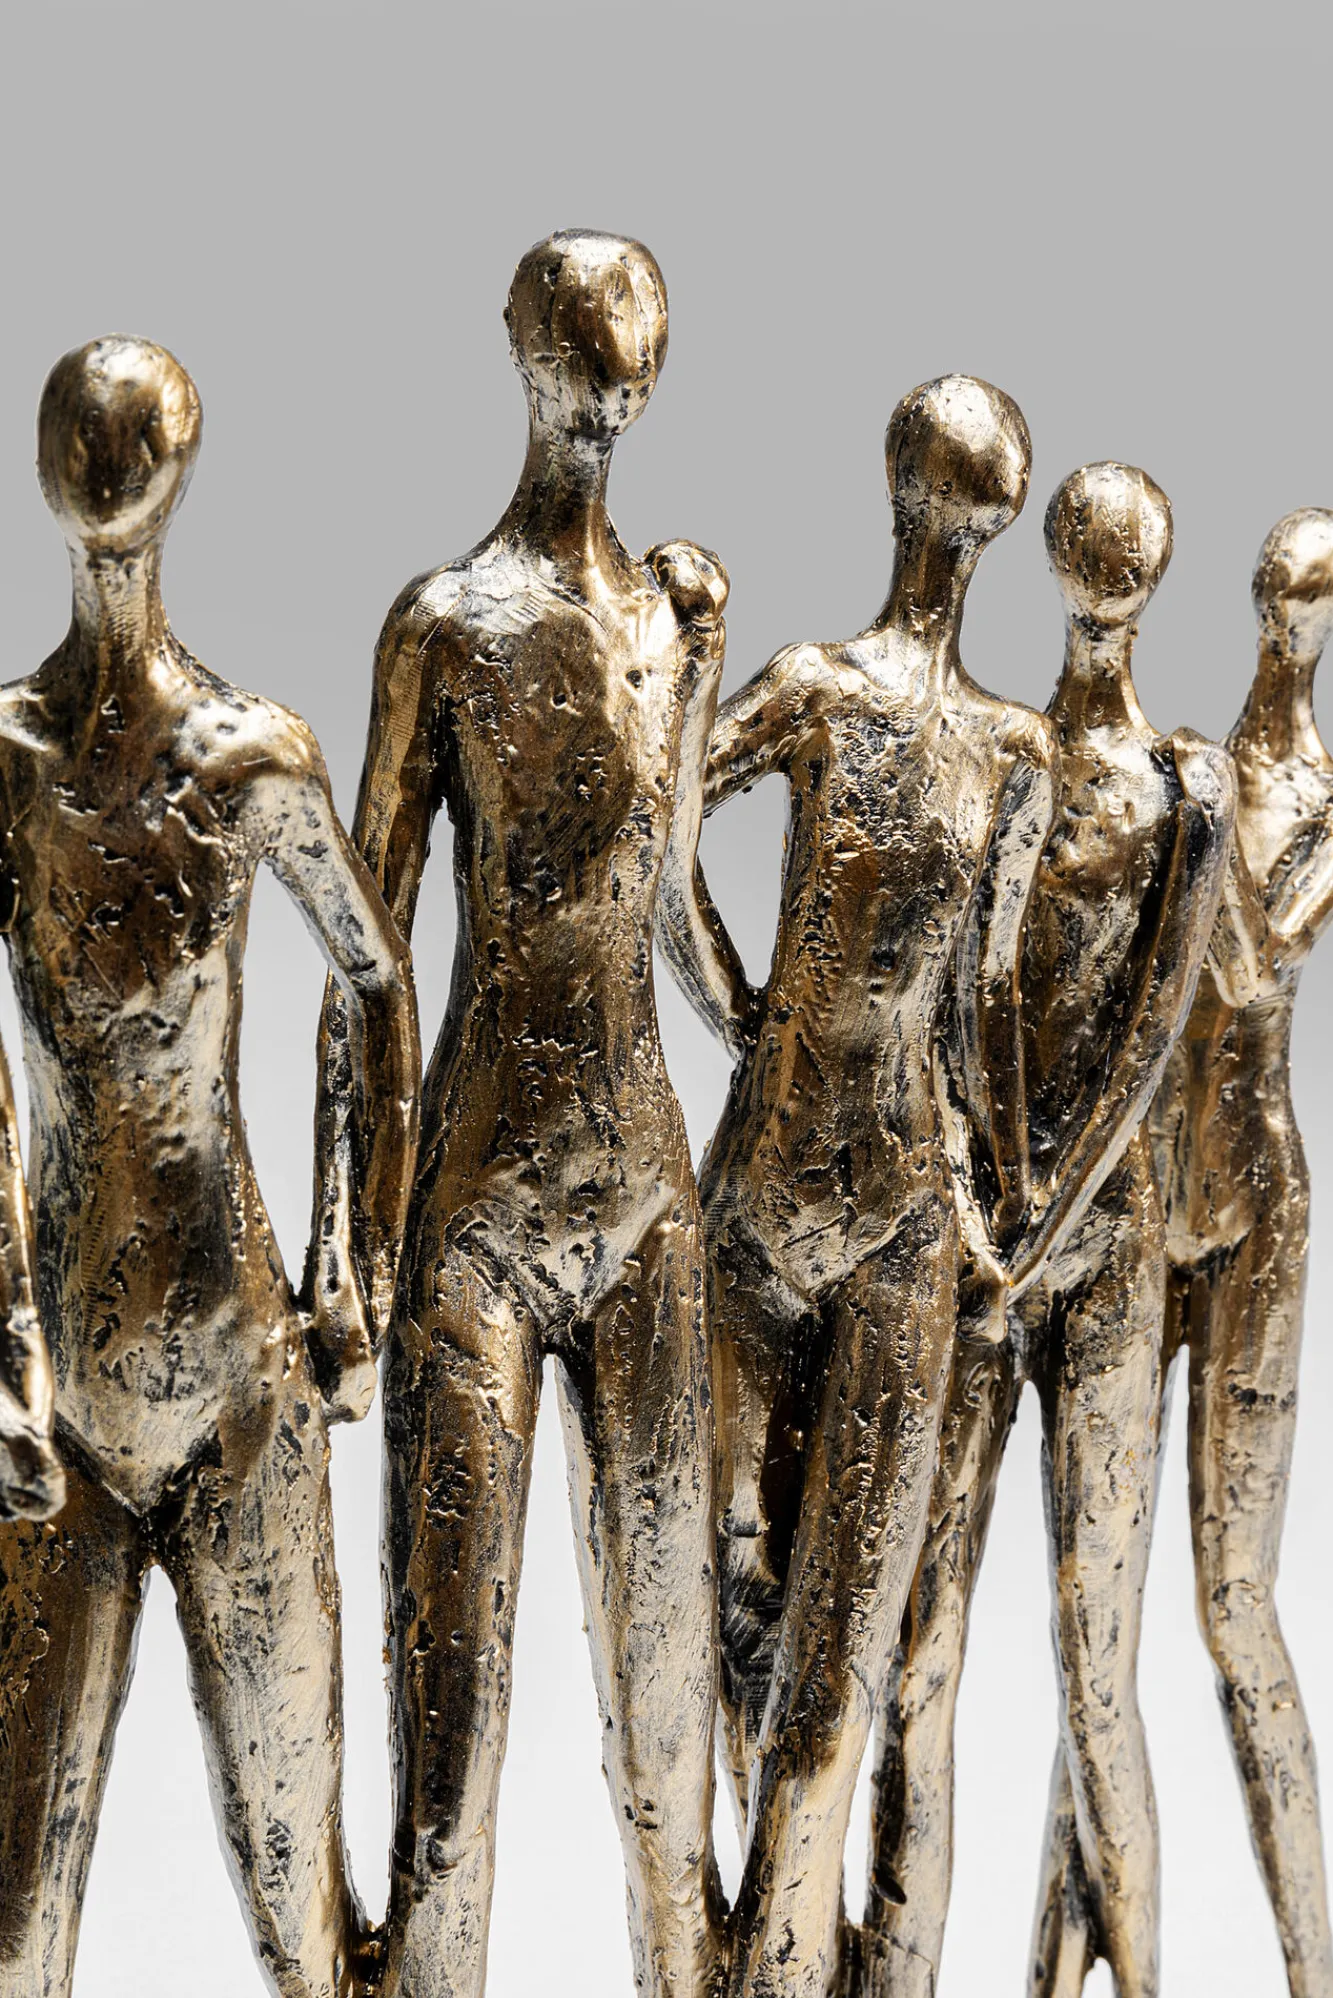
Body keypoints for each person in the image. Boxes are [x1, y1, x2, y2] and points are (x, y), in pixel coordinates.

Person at [0, 335, 420, 1998]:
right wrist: (6, 1334)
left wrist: (352, 1267)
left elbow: (374, 982)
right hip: (62, 1420)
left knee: (304, 1920)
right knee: (16, 1927)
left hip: (242, 1380)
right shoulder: (9, 760)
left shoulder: (253, 759)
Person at [342, 231, 729, 1998]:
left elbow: (680, 913)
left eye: (631, 339)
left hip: (645, 1196)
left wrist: (809, 1059)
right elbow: (370, 961)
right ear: (523, 351)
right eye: (581, 338)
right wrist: (351, 1243)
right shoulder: (445, 627)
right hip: (479, 1210)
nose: (607, 371)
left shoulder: (673, 618)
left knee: (671, 1750)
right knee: (449, 1777)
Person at [657, 374, 1059, 1998]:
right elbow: (666, 829)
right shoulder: (816, 690)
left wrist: (1001, 1206)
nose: (954, 534)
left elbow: (990, 1002)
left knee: (838, 1690)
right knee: (730, 1613)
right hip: (758, 1206)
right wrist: (742, 1009)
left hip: (904, 1222)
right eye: (949, 500)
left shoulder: (1015, 752)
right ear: (908, 498)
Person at [862, 463, 1235, 1998]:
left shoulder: (1183, 791)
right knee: (918, 1657)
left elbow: (1149, 1044)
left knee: (1096, 1679)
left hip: (1097, 1259)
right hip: (990, 1244)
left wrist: (1037, 1212)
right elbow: (972, 1002)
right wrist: (990, 1200)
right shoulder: (1007, 760)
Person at [1037, 507, 1333, 1996]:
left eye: (1310, 597)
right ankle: (1073, 1948)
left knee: (1233, 1611)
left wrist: (1193, 833)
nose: (1287, 613)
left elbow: (1256, 960)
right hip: (1148, 1197)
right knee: (1094, 1615)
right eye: (1278, 589)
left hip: (1254, 1209)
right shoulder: (1196, 766)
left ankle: (1312, 1959)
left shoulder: (1306, 793)